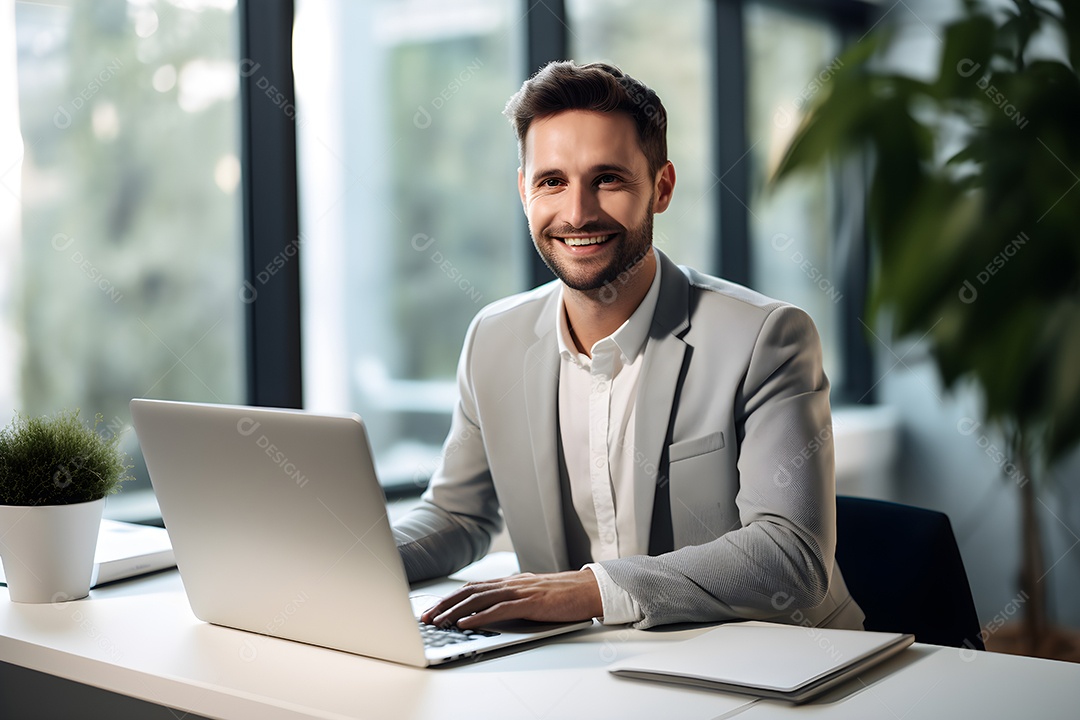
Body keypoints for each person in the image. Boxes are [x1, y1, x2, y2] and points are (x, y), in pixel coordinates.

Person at [393, 60, 864, 632]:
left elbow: (790, 555)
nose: (577, 213)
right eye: (552, 182)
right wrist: (348, 558)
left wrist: (589, 590)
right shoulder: (492, 339)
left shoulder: (766, 338)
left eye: (608, 179)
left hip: (777, 667)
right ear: (524, 191)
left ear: (661, 188)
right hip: (593, 671)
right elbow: (456, 516)